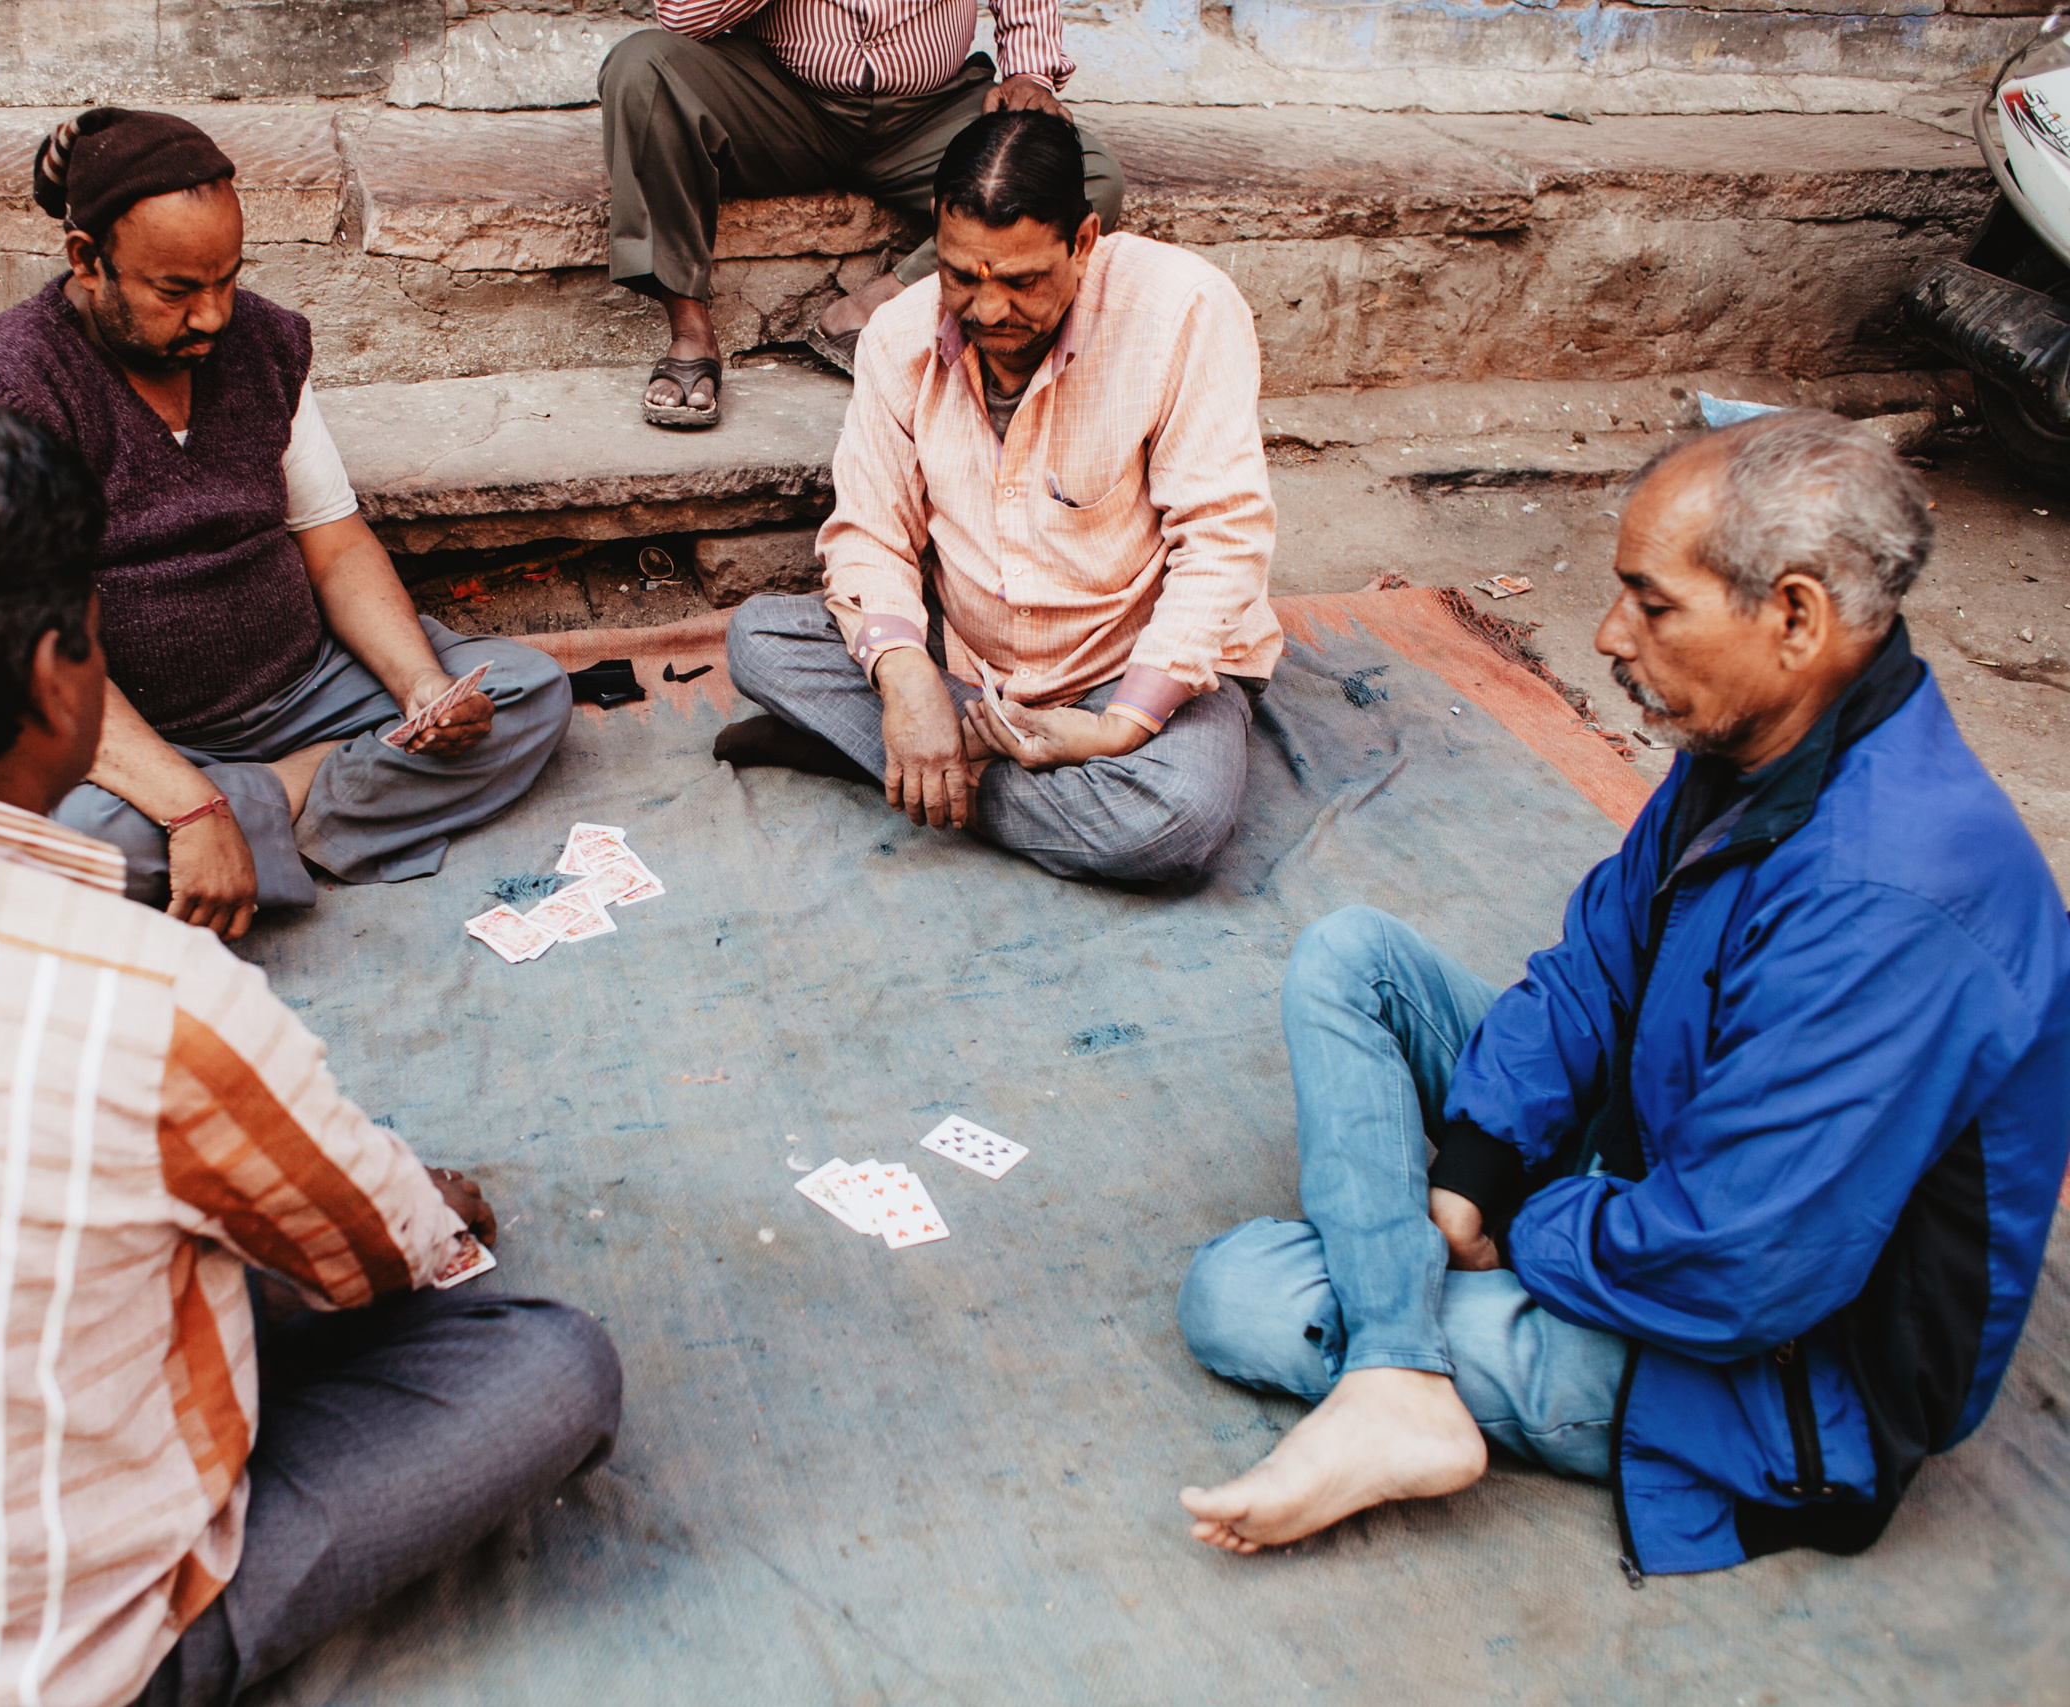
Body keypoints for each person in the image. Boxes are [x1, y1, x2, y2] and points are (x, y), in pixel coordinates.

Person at [0, 394, 623, 1707]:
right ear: (52, 674)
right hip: (59, 1663)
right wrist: (414, 1197)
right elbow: (385, 1259)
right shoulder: (153, 996)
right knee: (549, 1362)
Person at [1173, 411, 2070, 1576]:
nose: (1610, 634)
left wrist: (1524, 1230)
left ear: (1793, 617)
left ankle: (1389, 1345)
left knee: (1240, 1291)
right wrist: (1472, 1170)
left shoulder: (1896, 896)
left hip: (1778, 1372)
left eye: (1652, 604)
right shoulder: (1757, 747)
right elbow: (1597, 965)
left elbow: (1737, 1264)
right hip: (1647, 1166)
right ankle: (1398, 1368)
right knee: (1351, 954)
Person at [0, 107, 571, 939]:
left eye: (226, 279)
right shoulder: (10, 395)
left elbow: (334, 541)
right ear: (89, 262)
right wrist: (185, 802)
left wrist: (421, 689)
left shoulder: (265, 343)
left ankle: (256, 819)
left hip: (307, 689)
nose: (212, 316)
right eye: (176, 290)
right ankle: (290, 807)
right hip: (132, 733)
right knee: (70, 844)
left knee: (529, 691)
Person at [717, 110, 1277, 886]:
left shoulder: (1184, 312)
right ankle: (937, 750)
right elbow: (871, 534)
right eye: (960, 276)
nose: (985, 310)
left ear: (1082, 243)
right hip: (973, 658)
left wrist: (1115, 730)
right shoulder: (899, 337)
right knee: (757, 639)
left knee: (1174, 818)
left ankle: (913, 771)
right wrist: (909, 682)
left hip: (1131, 662)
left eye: (1021, 281)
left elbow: (1222, 540)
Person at [600, 0, 1123, 427]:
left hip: (932, 111)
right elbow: (683, 16)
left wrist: (1029, 72)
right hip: (782, 98)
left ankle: (881, 303)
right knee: (640, 69)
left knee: (1087, 176)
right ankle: (690, 328)